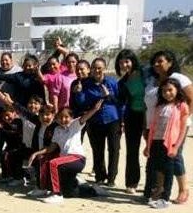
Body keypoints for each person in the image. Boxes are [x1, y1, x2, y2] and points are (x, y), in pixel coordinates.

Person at [26, 99, 104, 204]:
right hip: (64, 161)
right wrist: (36, 153)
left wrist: (94, 109)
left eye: (66, 117)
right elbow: (51, 148)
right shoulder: (57, 130)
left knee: (53, 163)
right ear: (57, 119)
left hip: (77, 158)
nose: (63, 119)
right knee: (69, 192)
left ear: (71, 117)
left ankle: (57, 194)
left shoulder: (75, 124)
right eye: (61, 117)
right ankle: (94, 190)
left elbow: (86, 117)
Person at [143, 50, 192, 204]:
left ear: (170, 62)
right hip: (155, 126)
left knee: (174, 156)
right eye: (155, 62)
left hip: (175, 127)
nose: (157, 64)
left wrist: (182, 118)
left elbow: (191, 98)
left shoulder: (178, 78)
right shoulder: (154, 81)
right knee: (158, 159)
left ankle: (183, 189)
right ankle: (160, 189)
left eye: (160, 61)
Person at [73, 58, 121, 187]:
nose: (96, 70)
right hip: (95, 120)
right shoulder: (86, 83)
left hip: (113, 119)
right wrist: (78, 93)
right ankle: (100, 176)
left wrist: (108, 95)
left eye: (99, 68)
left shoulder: (112, 82)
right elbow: (83, 103)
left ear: (104, 68)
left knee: (114, 149)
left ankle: (111, 178)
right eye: (94, 68)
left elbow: (120, 101)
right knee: (97, 149)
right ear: (91, 69)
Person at [115, 49, 146, 194]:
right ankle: (132, 182)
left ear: (133, 61)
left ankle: (154, 183)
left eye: (126, 61)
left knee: (155, 149)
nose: (124, 65)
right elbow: (120, 103)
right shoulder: (122, 83)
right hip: (132, 117)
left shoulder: (144, 74)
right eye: (121, 62)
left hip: (150, 116)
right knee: (132, 151)